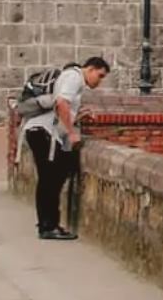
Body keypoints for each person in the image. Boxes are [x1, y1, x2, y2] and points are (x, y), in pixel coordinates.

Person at [20, 56, 110, 240]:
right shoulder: (74, 77)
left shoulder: (72, 78)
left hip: (42, 132)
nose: (99, 81)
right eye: (100, 76)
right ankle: (49, 226)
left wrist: (77, 118)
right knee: (52, 178)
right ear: (91, 69)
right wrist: (72, 133)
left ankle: (47, 224)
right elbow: (61, 103)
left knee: (49, 178)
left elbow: (59, 111)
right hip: (44, 134)